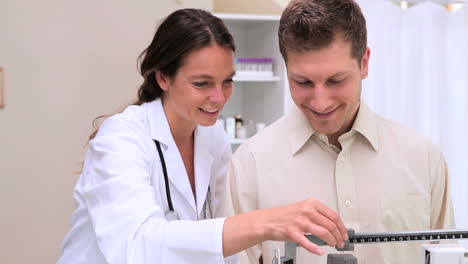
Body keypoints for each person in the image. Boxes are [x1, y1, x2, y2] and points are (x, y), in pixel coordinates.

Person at [57, 8, 350, 264]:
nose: (219, 97)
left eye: (227, 82)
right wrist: (267, 222)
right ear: (163, 78)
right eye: (202, 84)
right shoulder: (121, 138)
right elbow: (137, 247)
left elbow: (220, 246)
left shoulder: (213, 137)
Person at [225, 0, 455, 263]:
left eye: (336, 81)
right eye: (303, 82)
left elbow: (447, 255)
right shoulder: (249, 165)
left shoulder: (423, 157)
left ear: (364, 63)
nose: (320, 102)